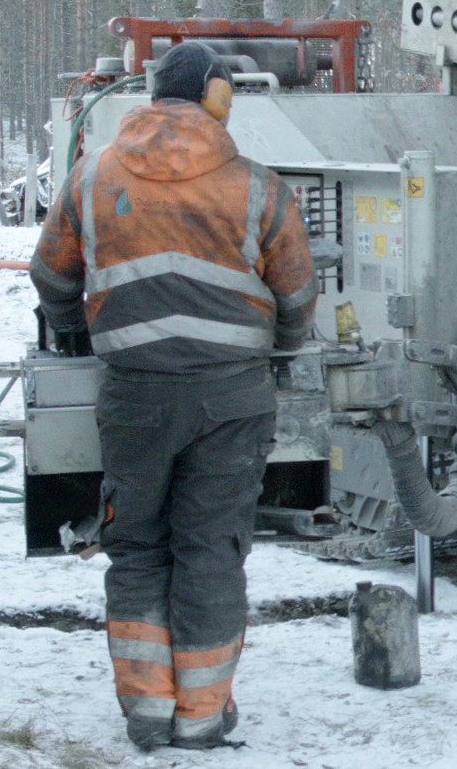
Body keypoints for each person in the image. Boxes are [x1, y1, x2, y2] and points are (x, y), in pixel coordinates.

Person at [30, 41, 316, 750]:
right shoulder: (257, 187)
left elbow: (51, 275)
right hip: (232, 401)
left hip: (134, 397)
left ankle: (149, 714)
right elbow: (299, 296)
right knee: (211, 550)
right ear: (217, 97)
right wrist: (277, 348)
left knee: (137, 549)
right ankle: (202, 716)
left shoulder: (92, 176)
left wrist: (76, 330)